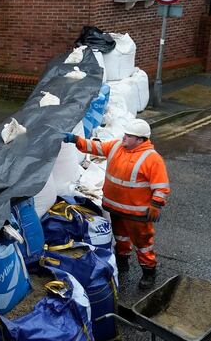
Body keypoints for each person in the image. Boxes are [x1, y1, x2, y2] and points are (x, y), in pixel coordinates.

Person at [64, 118, 170, 289]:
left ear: (140, 140)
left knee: (143, 243)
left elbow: (161, 186)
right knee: (120, 237)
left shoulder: (152, 159)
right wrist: (76, 140)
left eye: (129, 136)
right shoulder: (116, 147)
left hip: (137, 213)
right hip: (115, 207)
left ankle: (149, 271)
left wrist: (156, 205)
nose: (124, 137)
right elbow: (95, 147)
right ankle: (122, 262)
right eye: (125, 134)